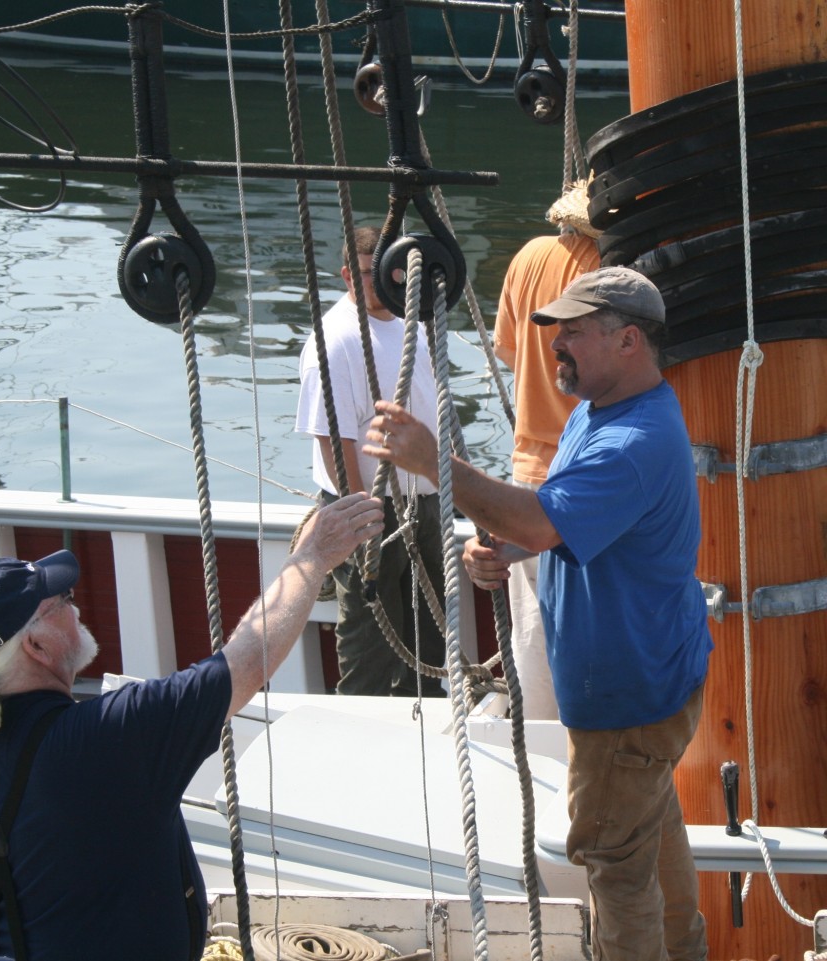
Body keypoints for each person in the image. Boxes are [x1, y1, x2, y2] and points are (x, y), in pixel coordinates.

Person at [364, 266, 712, 961]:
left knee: (616, 866)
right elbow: (562, 519)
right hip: (651, 683)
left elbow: (544, 521)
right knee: (648, 834)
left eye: (574, 333)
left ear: (628, 341)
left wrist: (437, 461)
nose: (556, 346)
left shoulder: (632, 441)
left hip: (626, 701)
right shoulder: (599, 410)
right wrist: (505, 549)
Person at [0, 492, 384, 961]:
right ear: (36, 645)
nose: (76, 608)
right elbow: (247, 662)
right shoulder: (113, 733)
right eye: (63, 602)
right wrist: (313, 557)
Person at [295, 225, 446, 696]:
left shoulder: (413, 322)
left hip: (425, 502)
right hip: (369, 507)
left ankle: (426, 710)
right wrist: (362, 516)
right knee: (371, 638)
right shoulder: (336, 340)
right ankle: (359, 721)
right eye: (366, 273)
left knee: (431, 635)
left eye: (389, 272)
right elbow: (331, 436)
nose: (382, 283)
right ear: (345, 275)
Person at [491, 182, 601, 719]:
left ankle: (539, 754)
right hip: (589, 473)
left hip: (528, 469)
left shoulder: (529, 256)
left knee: (533, 636)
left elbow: (510, 351)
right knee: (595, 638)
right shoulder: (612, 270)